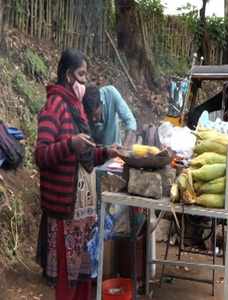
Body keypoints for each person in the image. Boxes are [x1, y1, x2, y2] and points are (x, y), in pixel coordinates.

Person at [35, 49, 120, 300]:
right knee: (66, 283)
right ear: (68, 75)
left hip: (83, 213)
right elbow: (41, 156)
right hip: (64, 211)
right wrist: (69, 144)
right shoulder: (54, 106)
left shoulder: (77, 108)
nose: (85, 81)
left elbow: (84, 155)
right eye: (81, 75)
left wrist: (106, 152)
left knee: (83, 281)